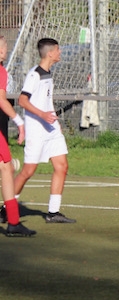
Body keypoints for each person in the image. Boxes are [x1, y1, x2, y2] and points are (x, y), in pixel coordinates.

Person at [12, 38, 75, 224]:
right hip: (36, 130)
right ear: (50, 53)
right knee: (28, 171)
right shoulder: (35, 75)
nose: (60, 52)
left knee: (62, 166)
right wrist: (42, 115)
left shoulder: (48, 73)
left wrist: (54, 120)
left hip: (51, 129)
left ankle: (53, 212)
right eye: (57, 50)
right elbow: (22, 100)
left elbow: (46, 100)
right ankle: (7, 208)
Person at [0, 36, 32, 236]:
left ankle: (13, 221)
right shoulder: (1, 71)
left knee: (6, 167)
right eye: (4, 47)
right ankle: (13, 222)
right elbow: (1, 100)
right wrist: (19, 122)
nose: (5, 50)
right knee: (6, 167)